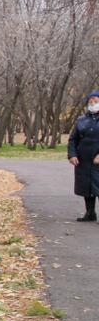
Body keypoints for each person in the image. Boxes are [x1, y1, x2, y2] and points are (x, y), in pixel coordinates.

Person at [68, 90, 99, 222]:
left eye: (96, 102)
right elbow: (73, 139)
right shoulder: (81, 120)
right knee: (86, 186)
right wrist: (72, 154)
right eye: (90, 102)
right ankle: (90, 213)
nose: (92, 104)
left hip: (97, 159)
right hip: (83, 159)